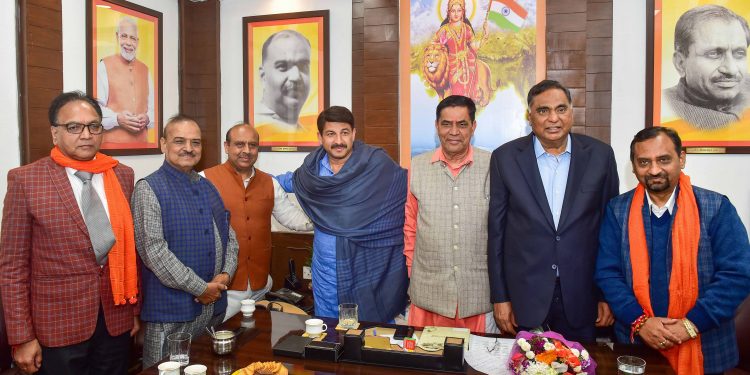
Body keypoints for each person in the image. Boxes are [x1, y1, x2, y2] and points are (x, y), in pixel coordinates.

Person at [0, 91, 139, 374]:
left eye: (94, 126)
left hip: (115, 319)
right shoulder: (26, 180)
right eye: (73, 127)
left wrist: (133, 312)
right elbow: (12, 268)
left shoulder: (121, 175)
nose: (86, 134)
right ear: (54, 133)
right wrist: (21, 337)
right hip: (57, 327)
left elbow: (129, 251)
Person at [596, 127, 750, 374]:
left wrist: (690, 325)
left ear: (682, 158)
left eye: (663, 159)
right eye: (644, 162)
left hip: (706, 347)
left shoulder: (716, 207)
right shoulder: (617, 210)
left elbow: (737, 276)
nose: (654, 170)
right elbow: (607, 274)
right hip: (636, 346)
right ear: (633, 167)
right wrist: (641, 323)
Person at [487, 80, 619, 342]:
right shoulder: (505, 158)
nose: (553, 119)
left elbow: (610, 231)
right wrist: (500, 297)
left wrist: (606, 295)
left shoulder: (600, 156)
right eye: (543, 110)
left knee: (581, 367)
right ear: (530, 116)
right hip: (525, 297)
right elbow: (496, 233)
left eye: (561, 109)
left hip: (582, 297)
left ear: (572, 111)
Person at [276, 106, 409, 322]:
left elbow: (407, 186)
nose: (339, 140)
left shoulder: (375, 164)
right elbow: (284, 182)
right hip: (325, 270)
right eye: (331, 134)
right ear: (320, 137)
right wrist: (251, 179)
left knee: (372, 333)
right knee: (328, 333)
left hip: (366, 264)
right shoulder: (311, 171)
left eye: (344, 133)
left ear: (354, 134)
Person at [132, 115, 238, 368]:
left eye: (195, 142)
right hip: (171, 312)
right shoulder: (148, 188)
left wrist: (225, 274)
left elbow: (229, 235)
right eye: (179, 141)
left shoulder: (208, 186)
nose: (189, 148)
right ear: (163, 144)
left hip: (212, 310)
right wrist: (200, 288)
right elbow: (154, 252)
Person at [201, 123, 313, 321]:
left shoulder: (270, 183)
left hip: (261, 286)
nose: (246, 151)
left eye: (252, 145)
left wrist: (327, 221)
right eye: (239, 144)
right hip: (224, 288)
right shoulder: (205, 180)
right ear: (227, 147)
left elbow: (292, 218)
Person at [404, 95, 496, 332]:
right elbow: (411, 225)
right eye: (446, 124)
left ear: (473, 127)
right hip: (428, 295)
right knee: (426, 364)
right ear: (437, 126)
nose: (453, 131)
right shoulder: (418, 166)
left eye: (462, 124)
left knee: (475, 365)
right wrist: (413, 271)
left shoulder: (493, 166)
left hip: (477, 295)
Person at [663, 5, 750, 129]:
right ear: (680, 63)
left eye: (739, 53)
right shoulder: (665, 109)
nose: (731, 69)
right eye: (713, 54)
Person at [97, 16, 155, 144]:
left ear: (138, 42)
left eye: (133, 38)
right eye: (124, 36)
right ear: (117, 36)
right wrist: (117, 118)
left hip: (143, 147)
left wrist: (147, 118)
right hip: (112, 147)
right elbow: (95, 109)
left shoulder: (146, 70)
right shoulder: (104, 65)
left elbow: (153, 109)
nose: (128, 43)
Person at [255, 30, 318, 143]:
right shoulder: (254, 128)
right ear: (263, 76)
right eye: (282, 67)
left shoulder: (304, 131)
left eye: (303, 66)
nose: (295, 77)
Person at [431, 0, 489, 104]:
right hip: (451, 65)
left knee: (471, 86)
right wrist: (441, 48)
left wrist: (484, 37)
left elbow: (473, 46)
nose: (456, 13)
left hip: (467, 62)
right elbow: (433, 44)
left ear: (463, 12)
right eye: (453, 11)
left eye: (459, 10)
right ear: (449, 12)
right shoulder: (444, 30)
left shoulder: (466, 28)